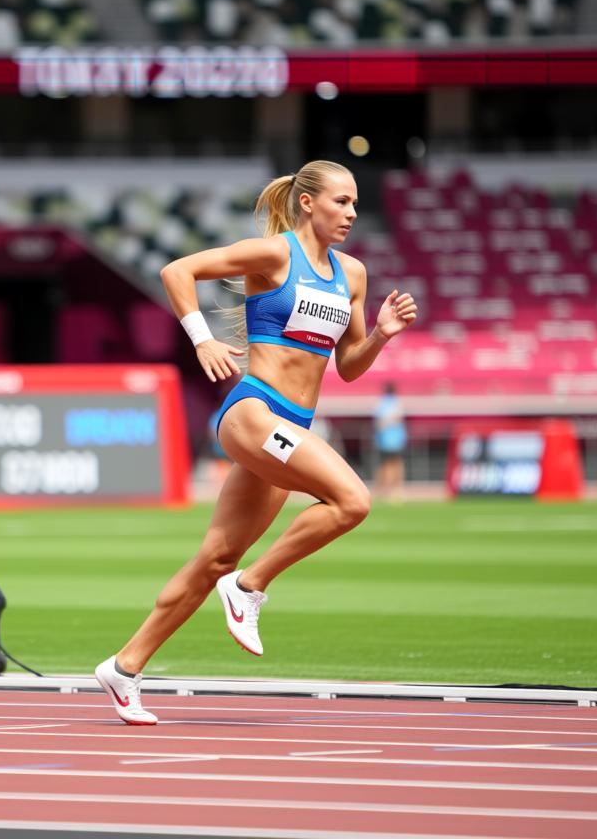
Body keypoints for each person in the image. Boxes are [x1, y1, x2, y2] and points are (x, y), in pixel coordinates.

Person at [94, 160, 417, 724]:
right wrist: (201, 341)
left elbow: (350, 367)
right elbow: (178, 272)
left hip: (293, 425)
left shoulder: (354, 275)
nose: (352, 213)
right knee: (353, 501)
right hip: (254, 411)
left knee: (214, 557)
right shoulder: (274, 255)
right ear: (309, 203)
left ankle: (124, 667)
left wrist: (383, 337)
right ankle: (249, 587)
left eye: (356, 203)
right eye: (341, 201)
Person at [374, 381, 408, 501]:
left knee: (387, 465)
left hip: (387, 440)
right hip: (393, 440)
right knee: (393, 465)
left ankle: (387, 490)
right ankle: (392, 490)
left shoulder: (383, 403)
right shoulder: (395, 403)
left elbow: (380, 423)